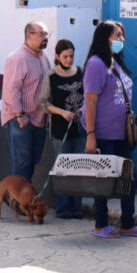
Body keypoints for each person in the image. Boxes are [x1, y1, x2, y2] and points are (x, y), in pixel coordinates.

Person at [83, 21, 137, 239]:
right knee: (103, 181)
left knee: (128, 178)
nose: (121, 40)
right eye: (116, 36)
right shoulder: (96, 64)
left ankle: (127, 224)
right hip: (102, 133)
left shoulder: (116, 62)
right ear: (104, 37)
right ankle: (100, 225)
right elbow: (90, 101)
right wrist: (91, 135)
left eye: (122, 36)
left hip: (121, 132)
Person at [1, 21, 52, 183]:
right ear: (29, 35)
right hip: (21, 118)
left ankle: (22, 197)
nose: (45, 37)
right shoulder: (18, 58)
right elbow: (11, 90)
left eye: (46, 34)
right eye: (42, 34)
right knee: (22, 162)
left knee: (33, 160)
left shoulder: (43, 58)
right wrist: (19, 114)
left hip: (39, 118)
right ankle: (18, 202)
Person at [40, 39, 85, 219]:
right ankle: (62, 207)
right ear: (58, 57)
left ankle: (77, 206)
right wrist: (61, 112)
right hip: (60, 130)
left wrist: (81, 110)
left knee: (79, 167)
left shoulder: (81, 72)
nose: (69, 60)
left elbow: (88, 96)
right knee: (62, 168)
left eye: (71, 56)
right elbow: (43, 103)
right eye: (65, 57)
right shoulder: (50, 76)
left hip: (79, 128)